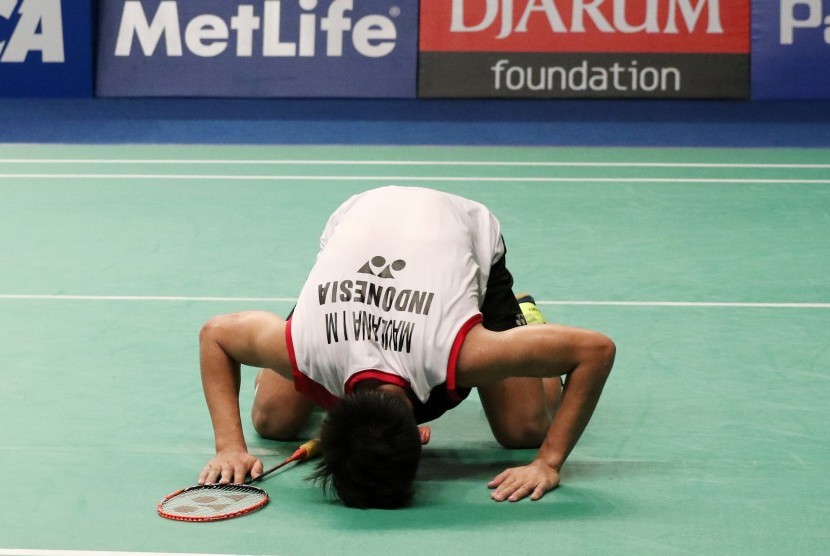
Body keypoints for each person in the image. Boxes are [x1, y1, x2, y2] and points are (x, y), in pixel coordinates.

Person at [197, 186, 615, 508]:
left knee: (524, 430)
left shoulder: (460, 352)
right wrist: (229, 447)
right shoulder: (306, 347)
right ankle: (297, 327)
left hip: (458, 230)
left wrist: (548, 461)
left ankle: (526, 320)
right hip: (361, 229)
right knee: (272, 423)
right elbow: (215, 335)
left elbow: (594, 350)